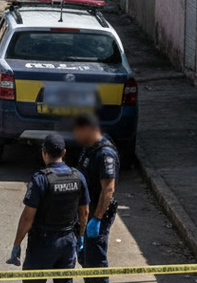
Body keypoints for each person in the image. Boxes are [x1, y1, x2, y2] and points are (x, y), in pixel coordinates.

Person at [7, 134, 89, 283]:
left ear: (44, 152)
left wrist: (17, 244)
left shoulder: (41, 180)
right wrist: (81, 237)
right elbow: (84, 212)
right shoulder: (78, 177)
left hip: (43, 243)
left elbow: (27, 217)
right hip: (68, 240)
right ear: (64, 152)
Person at [73, 114, 119, 283]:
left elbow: (108, 189)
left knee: (96, 261)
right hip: (86, 211)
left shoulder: (105, 154)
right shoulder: (90, 146)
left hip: (97, 215)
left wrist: (97, 219)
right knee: (85, 258)